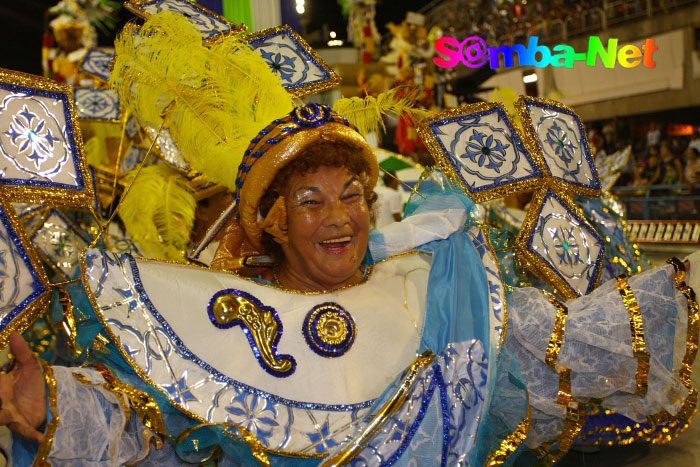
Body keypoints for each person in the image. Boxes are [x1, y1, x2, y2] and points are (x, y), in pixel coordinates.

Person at [1, 102, 699, 466]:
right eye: (310, 201)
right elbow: (155, 424)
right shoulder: (217, 313)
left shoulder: (430, 291)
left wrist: (649, 306)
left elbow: (554, 348)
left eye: (352, 194)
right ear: (273, 222)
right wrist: (57, 402)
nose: (339, 219)